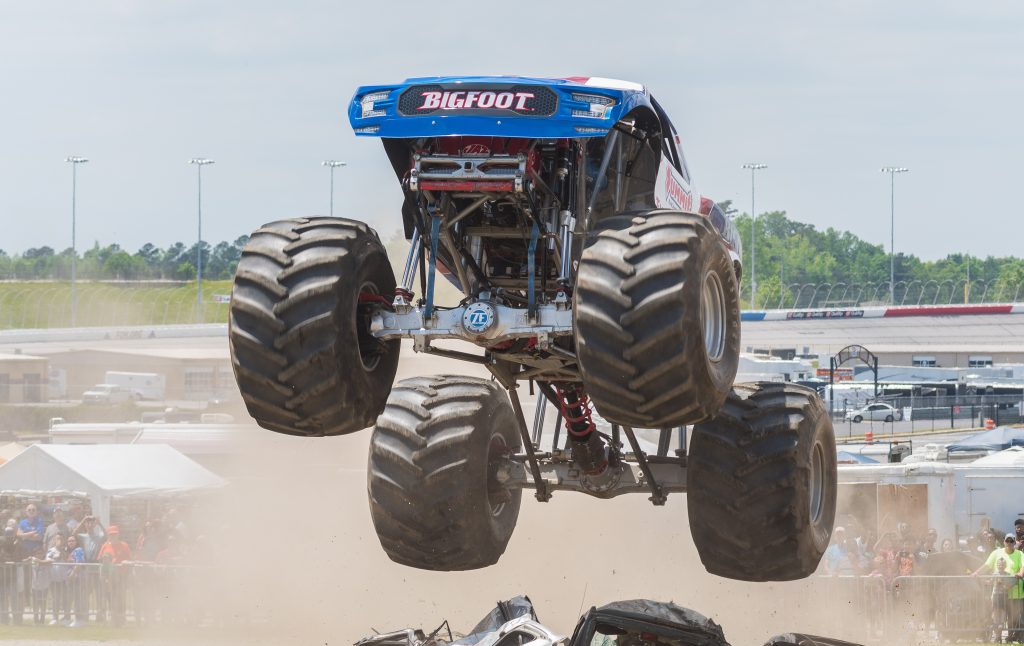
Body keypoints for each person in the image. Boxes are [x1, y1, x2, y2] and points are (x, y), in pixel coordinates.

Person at [973, 533, 1024, 642]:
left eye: (1012, 541)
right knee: (997, 617)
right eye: (1007, 541)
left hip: (1015, 593)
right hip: (998, 594)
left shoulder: (1020, 554)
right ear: (1004, 542)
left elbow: (1023, 566)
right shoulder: (996, 553)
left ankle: (1010, 636)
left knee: (1012, 618)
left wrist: (1020, 573)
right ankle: (997, 637)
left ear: (1015, 542)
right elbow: (987, 565)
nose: (1009, 543)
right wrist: (976, 573)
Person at [96, 526, 131, 626]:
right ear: (108, 535)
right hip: (108, 578)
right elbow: (100, 559)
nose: (113, 536)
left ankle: (122, 619)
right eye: (111, 534)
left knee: (120, 598)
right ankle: (114, 619)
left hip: (121, 576)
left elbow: (129, 559)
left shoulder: (124, 545)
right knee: (110, 598)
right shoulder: (105, 546)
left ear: (118, 534)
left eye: (115, 534)